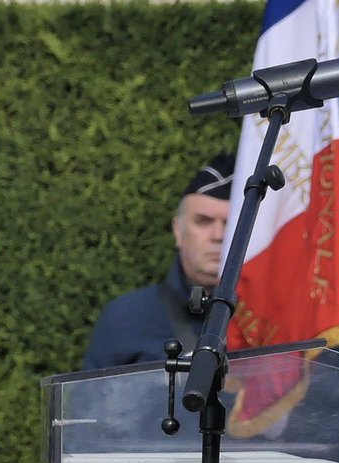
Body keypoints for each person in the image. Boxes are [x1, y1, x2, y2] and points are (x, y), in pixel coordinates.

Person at [83, 152, 234, 369]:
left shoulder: (274, 317)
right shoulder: (126, 319)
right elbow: (92, 401)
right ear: (178, 230)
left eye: (231, 223)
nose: (218, 235)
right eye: (203, 221)